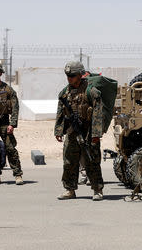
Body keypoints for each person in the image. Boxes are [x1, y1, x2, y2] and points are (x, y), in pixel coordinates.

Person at [54, 61, 104, 201]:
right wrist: (58, 130)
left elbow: (97, 114)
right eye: (68, 75)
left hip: (88, 131)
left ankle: (97, 189)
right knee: (69, 161)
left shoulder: (91, 91)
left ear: (80, 75)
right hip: (71, 131)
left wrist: (95, 134)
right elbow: (60, 113)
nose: (69, 78)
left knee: (91, 160)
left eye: (73, 75)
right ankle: (70, 189)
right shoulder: (64, 93)